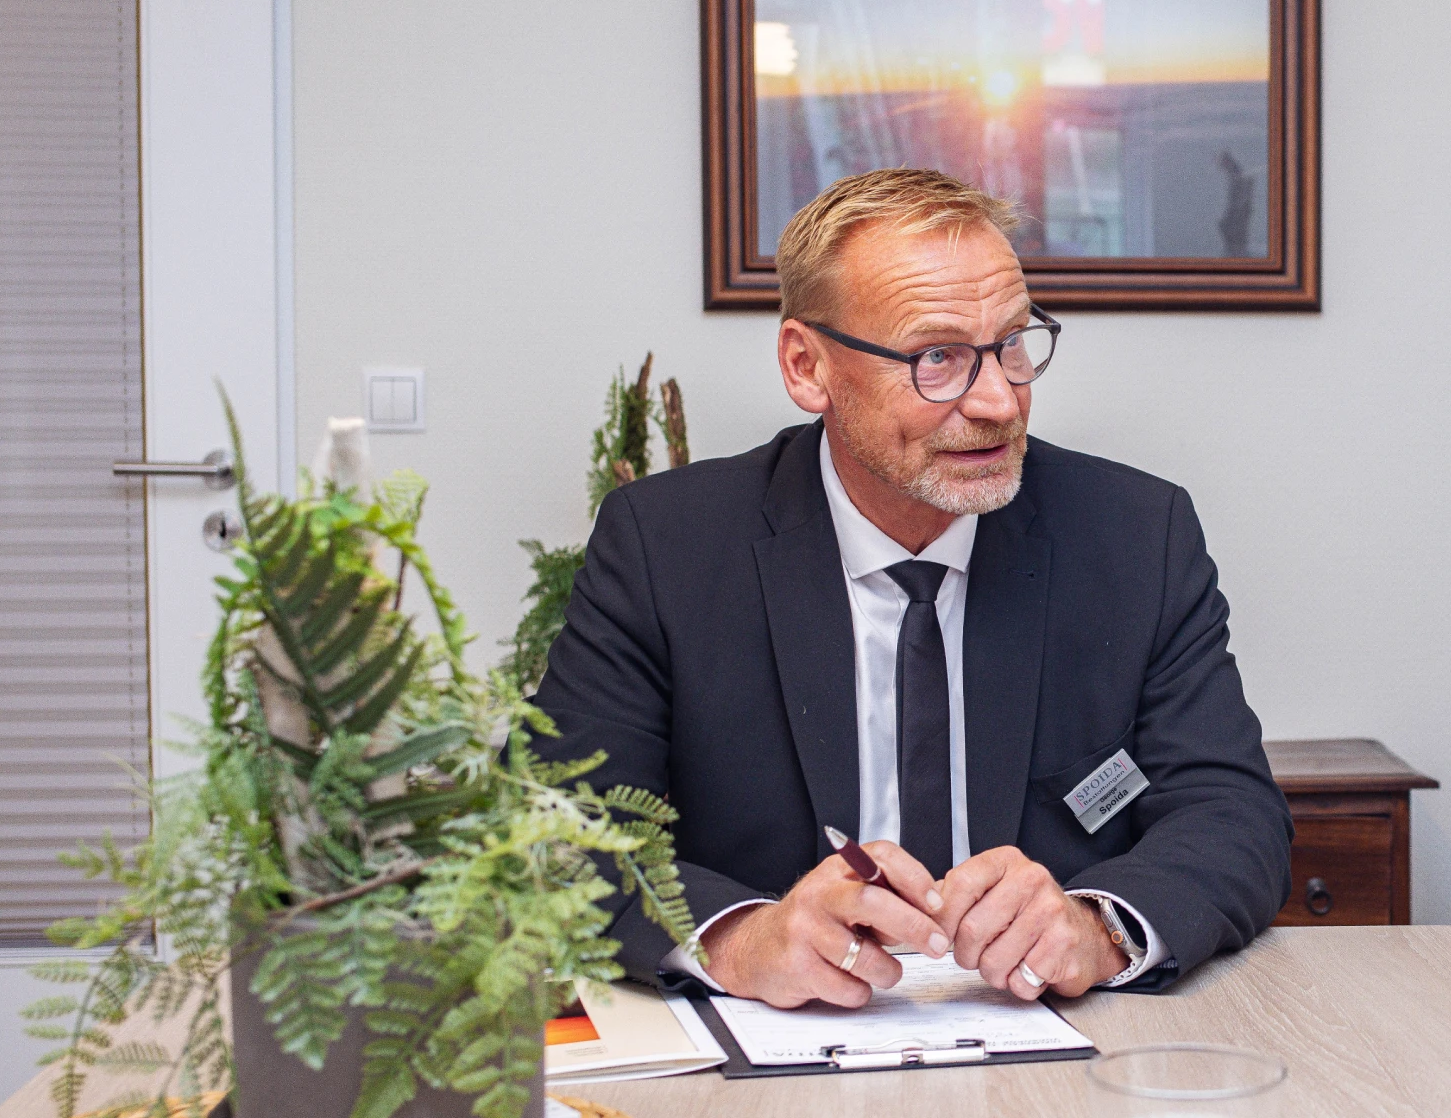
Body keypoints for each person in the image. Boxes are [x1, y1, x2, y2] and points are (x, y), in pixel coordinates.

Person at [532, 168, 1290, 1008]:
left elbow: (1230, 814)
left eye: (1011, 343)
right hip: (787, 1048)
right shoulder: (667, 546)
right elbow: (559, 830)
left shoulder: (1135, 537)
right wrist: (739, 936)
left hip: (1062, 1044)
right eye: (938, 358)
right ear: (807, 366)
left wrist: (1098, 926)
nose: (999, 400)